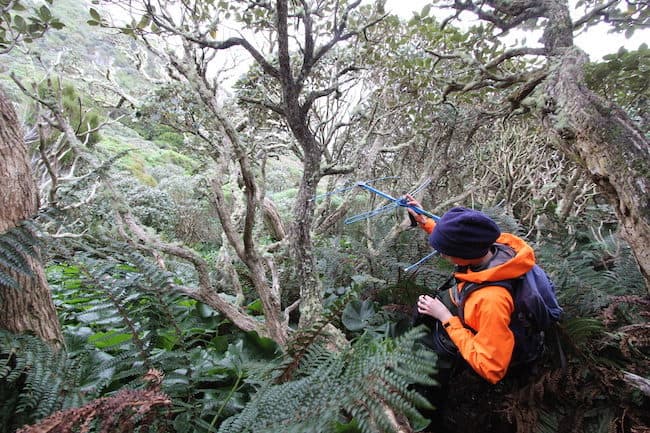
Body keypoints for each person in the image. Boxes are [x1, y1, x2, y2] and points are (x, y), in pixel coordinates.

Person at [406, 195, 538, 431]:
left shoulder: (491, 300)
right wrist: (424, 220)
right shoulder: (496, 248)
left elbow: (492, 367)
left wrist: (445, 317)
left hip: (476, 353)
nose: (441, 254)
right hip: (470, 319)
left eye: (444, 251)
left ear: (464, 255)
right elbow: (459, 238)